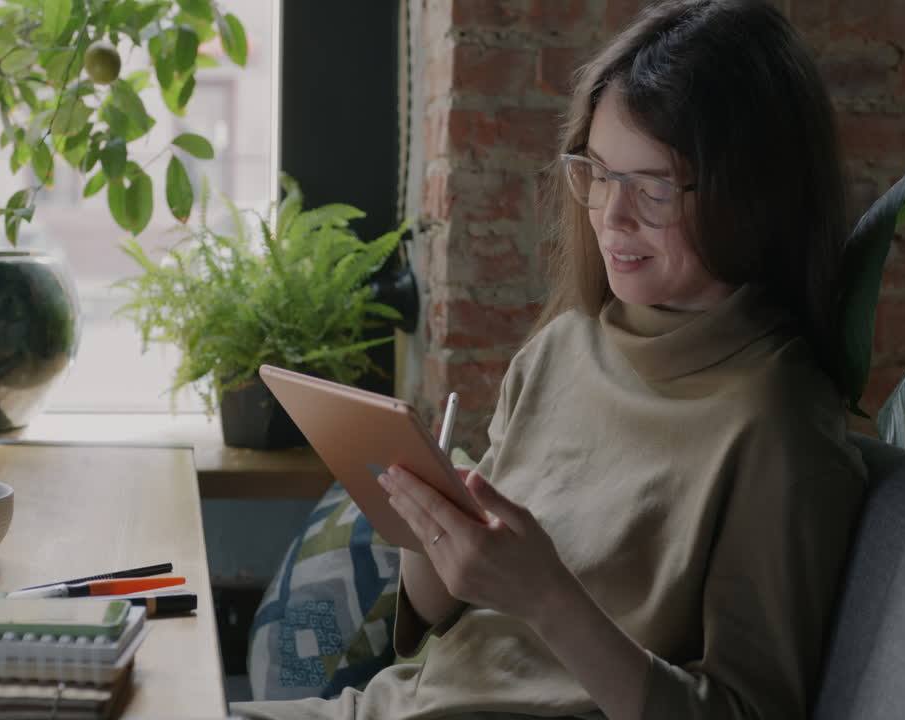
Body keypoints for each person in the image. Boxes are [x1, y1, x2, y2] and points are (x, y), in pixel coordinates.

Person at [234, 0, 865, 717]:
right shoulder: (562, 349)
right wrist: (425, 523)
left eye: (652, 187)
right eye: (596, 173)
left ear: (751, 195)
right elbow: (435, 631)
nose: (611, 215)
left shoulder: (778, 423)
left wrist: (545, 596)